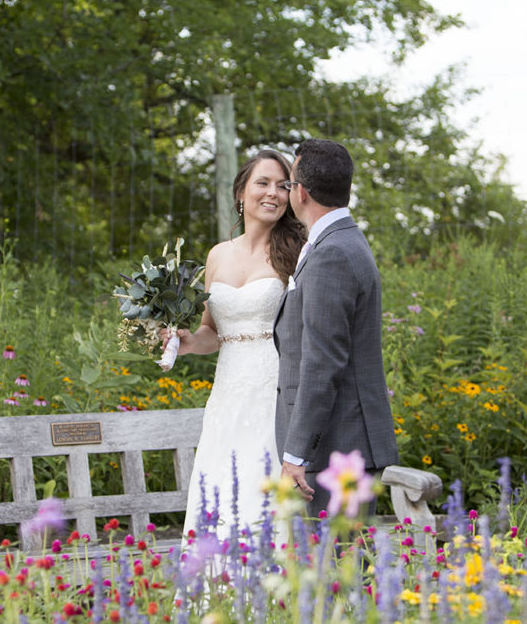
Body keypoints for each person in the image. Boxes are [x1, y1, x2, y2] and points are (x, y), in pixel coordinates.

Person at [165, 149, 305, 541]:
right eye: (263, 183)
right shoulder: (217, 255)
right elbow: (214, 331)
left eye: (283, 185)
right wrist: (190, 341)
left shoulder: (296, 251)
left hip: (274, 388)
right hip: (228, 392)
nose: (273, 193)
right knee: (223, 485)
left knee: (266, 491)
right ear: (241, 193)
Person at [274, 138, 398, 518]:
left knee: (336, 571)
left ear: (301, 193)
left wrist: (296, 454)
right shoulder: (339, 241)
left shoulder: (332, 253)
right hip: (337, 444)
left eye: (289, 183)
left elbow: (321, 363)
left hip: (337, 448)